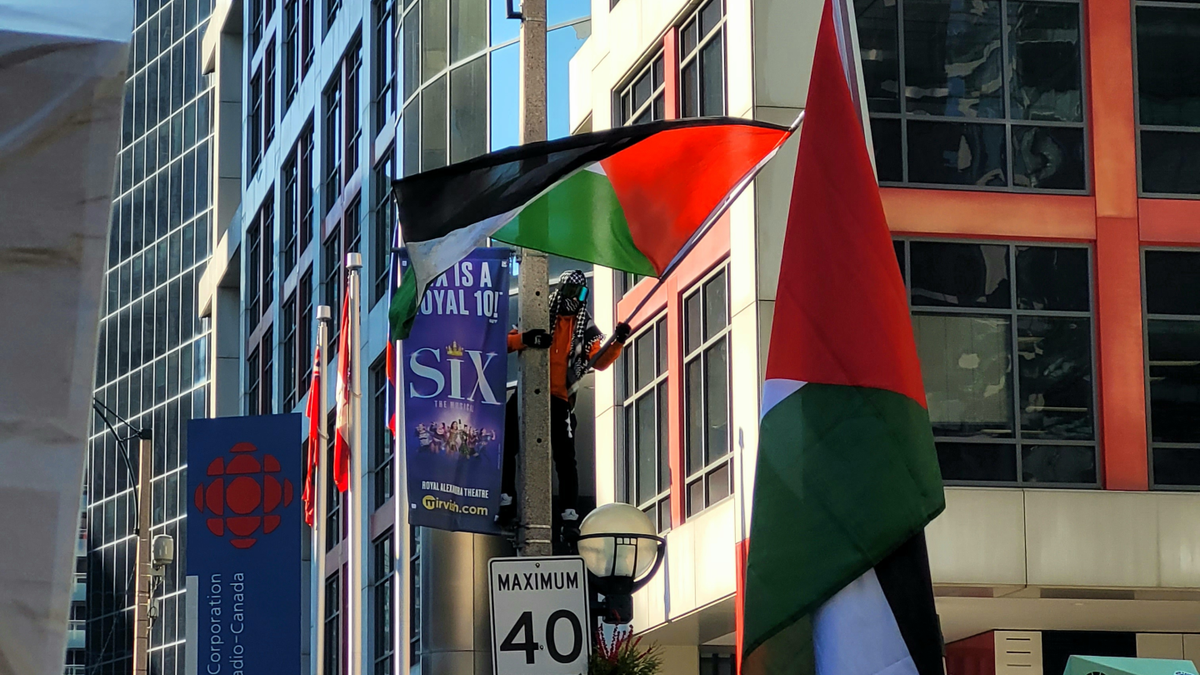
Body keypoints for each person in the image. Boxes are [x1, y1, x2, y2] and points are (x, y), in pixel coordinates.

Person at [501, 270, 632, 541]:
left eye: (581, 294)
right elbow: (506, 343)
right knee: (506, 441)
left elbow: (599, 360)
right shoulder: (538, 314)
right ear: (561, 291)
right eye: (571, 292)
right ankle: (506, 499)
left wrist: (618, 340)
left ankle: (569, 515)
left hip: (560, 398)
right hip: (527, 390)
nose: (575, 299)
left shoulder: (587, 328)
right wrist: (526, 339)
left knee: (566, 458)